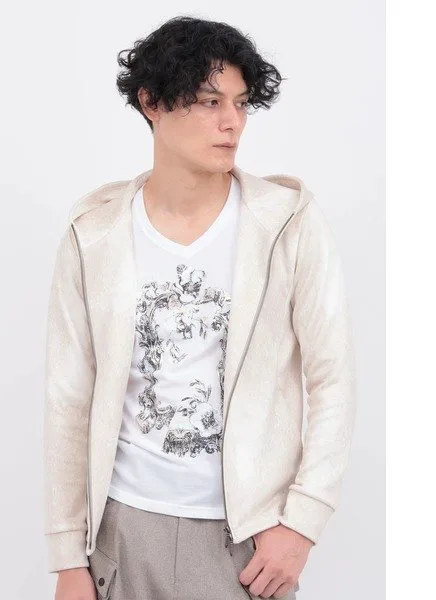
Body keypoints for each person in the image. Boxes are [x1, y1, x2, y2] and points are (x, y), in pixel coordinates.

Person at [43, 15, 357, 600]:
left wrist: (301, 525)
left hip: (245, 541)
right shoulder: (94, 233)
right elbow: (69, 398)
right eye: (210, 101)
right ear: (151, 102)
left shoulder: (286, 223)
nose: (232, 122)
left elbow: (332, 379)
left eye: (241, 103)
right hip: (121, 531)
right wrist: (67, 558)